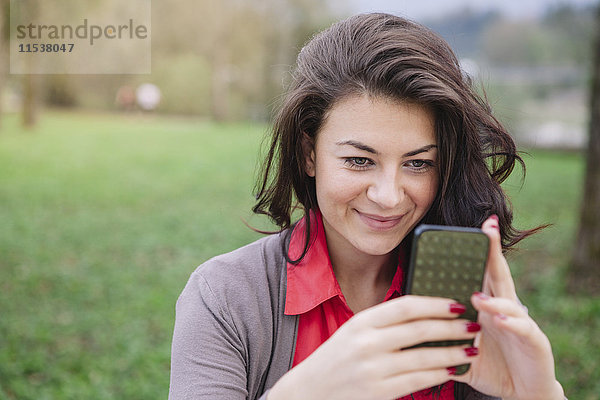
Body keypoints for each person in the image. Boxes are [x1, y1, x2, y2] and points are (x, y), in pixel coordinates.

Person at [168, 13, 566, 400]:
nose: (389, 196)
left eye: (418, 163)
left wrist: (537, 394)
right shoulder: (226, 297)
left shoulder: (471, 297)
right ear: (310, 153)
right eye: (359, 160)